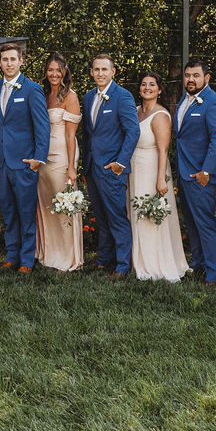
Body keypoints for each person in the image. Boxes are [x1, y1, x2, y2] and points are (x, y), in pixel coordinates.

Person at [0, 44, 49, 273]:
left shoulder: (32, 89)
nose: (9, 63)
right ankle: (11, 255)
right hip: (1, 162)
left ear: (21, 61)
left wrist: (38, 158)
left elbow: (42, 126)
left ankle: (26, 260)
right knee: (9, 212)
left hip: (24, 163)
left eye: (13, 59)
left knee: (26, 212)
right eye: (5, 59)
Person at [81, 54, 140, 278]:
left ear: (113, 72)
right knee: (101, 216)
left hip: (112, 167)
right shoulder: (88, 98)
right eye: (96, 69)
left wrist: (120, 163)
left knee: (116, 216)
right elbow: (88, 134)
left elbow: (132, 131)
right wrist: (85, 164)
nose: (100, 73)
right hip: (92, 167)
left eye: (104, 69)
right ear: (92, 72)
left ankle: (123, 265)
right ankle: (104, 259)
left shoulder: (122, 96)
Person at [129, 72, 189, 282]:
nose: (147, 87)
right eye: (144, 84)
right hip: (134, 168)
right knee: (135, 214)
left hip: (152, 167)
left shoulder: (161, 115)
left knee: (149, 215)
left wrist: (160, 179)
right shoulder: (135, 111)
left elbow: (163, 150)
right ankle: (137, 260)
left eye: (152, 85)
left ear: (159, 90)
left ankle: (154, 264)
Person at [174, 59, 216, 284]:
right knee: (193, 225)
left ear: (207, 78)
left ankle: (215, 275)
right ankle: (199, 267)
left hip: (201, 176)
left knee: (206, 225)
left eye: (196, 75)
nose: (190, 79)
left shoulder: (215, 102)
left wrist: (205, 171)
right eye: (187, 75)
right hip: (184, 174)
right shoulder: (184, 100)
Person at [35, 52, 84, 272]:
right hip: (43, 156)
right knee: (46, 205)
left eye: (58, 70)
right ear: (46, 72)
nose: (54, 74)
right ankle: (49, 253)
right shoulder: (43, 94)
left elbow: (70, 135)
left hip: (61, 154)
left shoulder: (70, 96)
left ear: (65, 71)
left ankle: (67, 256)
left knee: (62, 204)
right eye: (50, 70)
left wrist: (72, 166)